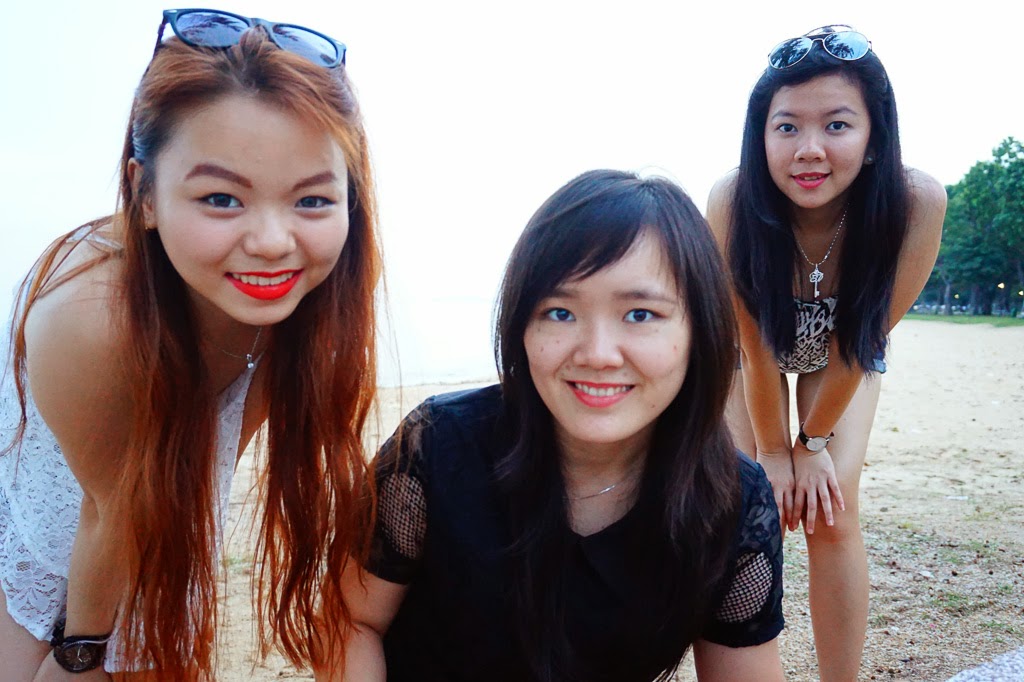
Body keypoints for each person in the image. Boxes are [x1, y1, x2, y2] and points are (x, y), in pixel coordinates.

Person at [0, 9, 380, 678]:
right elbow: (110, 511)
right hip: (66, 488)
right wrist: (80, 654)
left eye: (312, 201)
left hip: (153, 500)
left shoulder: (310, 300)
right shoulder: (88, 320)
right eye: (222, 199)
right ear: (144, 194)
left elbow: (203, 471)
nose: (273, 241)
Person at [318, 170, 785, 682]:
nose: (598, 354)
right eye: (560, 313)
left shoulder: (732, 501)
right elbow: (351, 621)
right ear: (521, 326)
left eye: (640, 314)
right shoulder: (437, 449)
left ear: (700, 329)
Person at [706, 25, 946, 681]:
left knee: (831, 511)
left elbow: (860, 345)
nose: (809, 149)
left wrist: (809, 446)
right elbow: (752, 346)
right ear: (761, 136)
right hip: (744, 356)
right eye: (787, 127)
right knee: (746, 504)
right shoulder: (731, 201)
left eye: (837, 125)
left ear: (874, 137)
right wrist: (773, 452)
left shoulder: (915, 203)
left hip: (844, 352)